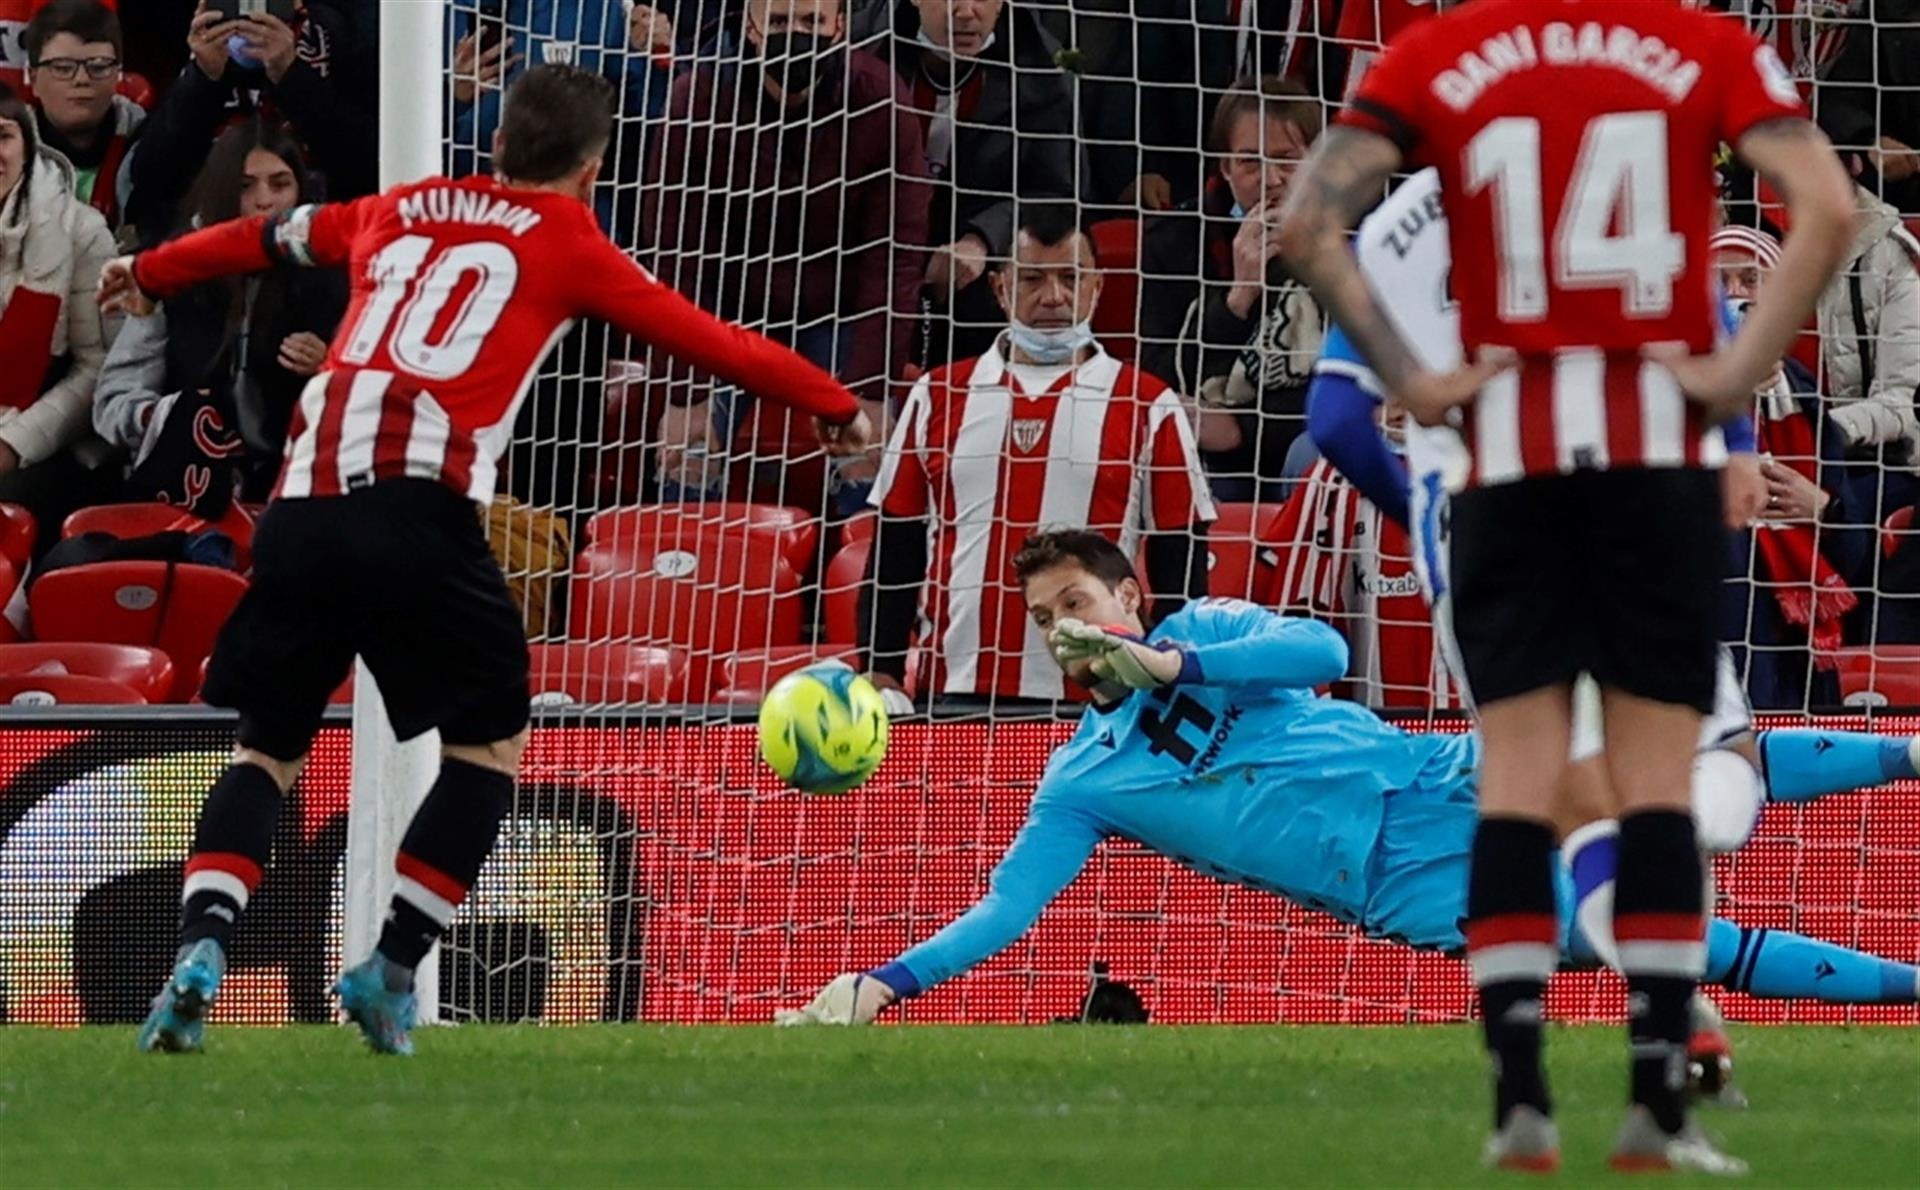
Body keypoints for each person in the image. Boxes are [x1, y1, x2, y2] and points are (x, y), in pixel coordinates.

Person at [101, 65, 870, 1057]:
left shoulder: (397, 206)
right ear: (592, 168)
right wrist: (839, 406)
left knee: (267, 748)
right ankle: (389, 970)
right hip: (419, 507)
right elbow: (722, 347)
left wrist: (151, 271)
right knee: (487, 746)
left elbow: (257, 238)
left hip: (298, 505)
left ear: (497, 139)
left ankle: (199, 952)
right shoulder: (570, 241)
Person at [1278, 0, 1859, 1170]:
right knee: (1654, 787)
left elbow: (1317, 299)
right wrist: (1738, 385)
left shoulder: (1437, 71)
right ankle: (1662, 1089)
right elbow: (1827, 211)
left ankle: (1522, 1101)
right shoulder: (1695, 50)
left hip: (1497, 479)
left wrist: (1423, 394)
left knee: (1525, 781)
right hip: (1656, 466)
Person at [777, 531, 1920, 1037]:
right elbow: (1011, 908)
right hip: (1401, 881)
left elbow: (1324, 654)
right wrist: (882, 981)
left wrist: (1172, 662)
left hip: (1443, 771)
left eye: (1077, 604)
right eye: (1042, 620)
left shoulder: (1208, 626)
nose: (1062, 631)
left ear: (1128, 594)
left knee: (1690, 751)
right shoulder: (1081, 778)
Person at [862, 202, 1213, 710]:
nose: (1054, 296)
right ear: (1001, 289)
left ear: (1097, 287)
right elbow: (896, 546)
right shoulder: (937, 394)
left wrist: (1164, 671)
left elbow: (1179, 562)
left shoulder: (1148, 403)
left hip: (1099, 697)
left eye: (1071, 278)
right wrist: (882, 668)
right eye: (1032, 280)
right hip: (956, 688)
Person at [645, 0, 929, 516]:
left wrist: (867, 390)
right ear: (749, 28)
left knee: (865, 452)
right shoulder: (698, 97)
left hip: (837, 309)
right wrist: (686, 393)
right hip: (729, 314)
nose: (794, 35)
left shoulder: (881, 100)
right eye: (778, 23)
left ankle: (861, 586)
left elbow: (894, 257)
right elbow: (677, 254)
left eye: (810, 24)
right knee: (687, 452)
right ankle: (685, 576)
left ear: (840, 26)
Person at [94, 119, 346, 510]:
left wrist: (329, 366)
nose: (265, 201)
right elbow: (114, 398)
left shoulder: (335, 270)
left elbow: (379, 397)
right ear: (220, 191)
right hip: (186, 484)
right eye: (245, 187)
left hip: (300, 485)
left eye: (280, 184)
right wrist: (164, 418)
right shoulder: (170, 268)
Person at [850, 0, 1081, 362]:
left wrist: (982, 239)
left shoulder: (1042, 72)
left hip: (978, 283)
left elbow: (1054, 192)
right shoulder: (861, 54)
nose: (965, 12)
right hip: (867, 261)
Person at [1138, 76, 1326, 500]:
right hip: (1210, 450)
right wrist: (1238, 297)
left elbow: (1357, 384)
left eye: (1287, 160)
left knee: (1313, 458)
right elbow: (1158, 379)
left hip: (1297, 436)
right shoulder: (1175, 240)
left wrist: (1244, 430)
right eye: (1249, 162)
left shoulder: (1354, 234)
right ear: (1224, 167)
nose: (1271, 179)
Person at [126, 1, 376, 248]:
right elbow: (149, 178)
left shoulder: (341, 36)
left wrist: (291, 76)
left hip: (322, 238)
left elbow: (368, 166)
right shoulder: (195, 36)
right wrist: (202, 78)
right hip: (209, 240)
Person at [0, 82, 119, 554]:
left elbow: (100, 369)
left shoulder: (83, 233)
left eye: (3, 136)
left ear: (28, 147)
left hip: (56, 444)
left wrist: (12, 445)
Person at [21, 0, 142, 236]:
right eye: (63, 68)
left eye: (98, 67)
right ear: (33, 80)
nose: (81, 80)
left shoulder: (146, 139)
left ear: (117, 74)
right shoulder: (8, 151)